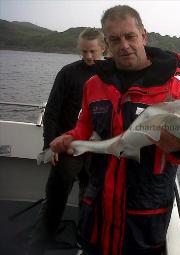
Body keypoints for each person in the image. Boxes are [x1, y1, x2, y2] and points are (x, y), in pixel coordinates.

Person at [49, 5, 180, 255]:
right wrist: (70, 137)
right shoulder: (94, 84)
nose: (123, 45)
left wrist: (179, 146)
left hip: (145, 214)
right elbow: (84, 126)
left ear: (143, 35)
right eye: (115, 39)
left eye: (130, 36)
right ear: (106, 43)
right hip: (97, 207)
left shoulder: (176, 85)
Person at [27, 28, 106, 255]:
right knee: (55, 200)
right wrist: (49, 145)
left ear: (103, 48)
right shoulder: (68, 73)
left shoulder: (110, 76)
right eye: (84, 51)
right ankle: (37, 247)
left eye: (93, 51)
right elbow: (51, 111)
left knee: (89, 201)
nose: (88, 56)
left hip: (95, 150)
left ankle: (83, 244)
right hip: (68, 148)